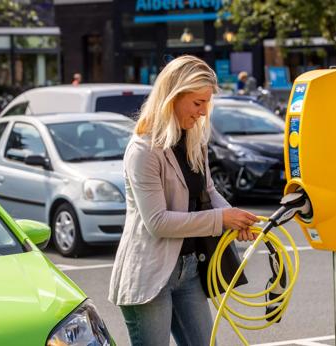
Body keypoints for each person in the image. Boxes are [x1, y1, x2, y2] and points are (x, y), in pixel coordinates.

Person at [109, 55, 258, 346]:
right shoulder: (143, 149)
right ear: (173, 97)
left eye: (206, 104)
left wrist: (235, 218)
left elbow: (209, 193)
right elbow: (158, 223)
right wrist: (221, 220)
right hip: (150, 275)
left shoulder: (194, 140)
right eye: (197, 103)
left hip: (189, 269)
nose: (203, 113)